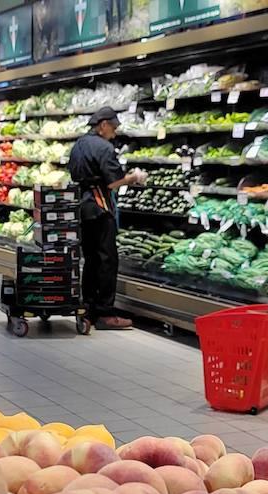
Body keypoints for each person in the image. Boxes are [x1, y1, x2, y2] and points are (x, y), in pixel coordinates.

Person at [66, 106, 147, 330]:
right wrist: (134, 177)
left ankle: (89, 308)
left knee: (91, 259)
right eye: (113, 127)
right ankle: (105, 313)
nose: (115, 132)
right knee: (107, 259)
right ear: (103, 126)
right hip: (100, 207)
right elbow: (112, 183)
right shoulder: (104, 147)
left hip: (82, 206)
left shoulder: (80, 144)